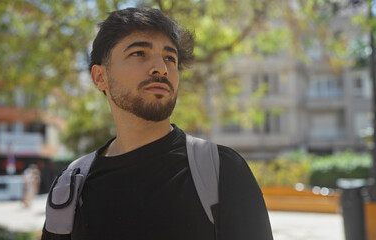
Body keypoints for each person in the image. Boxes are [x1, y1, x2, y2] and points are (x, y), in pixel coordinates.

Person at [42, 7, 273, 240]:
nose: (161, 68)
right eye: (139, 53)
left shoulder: (223, 171)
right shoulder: (69, 186)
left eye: (170, 58)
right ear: (100, 77)